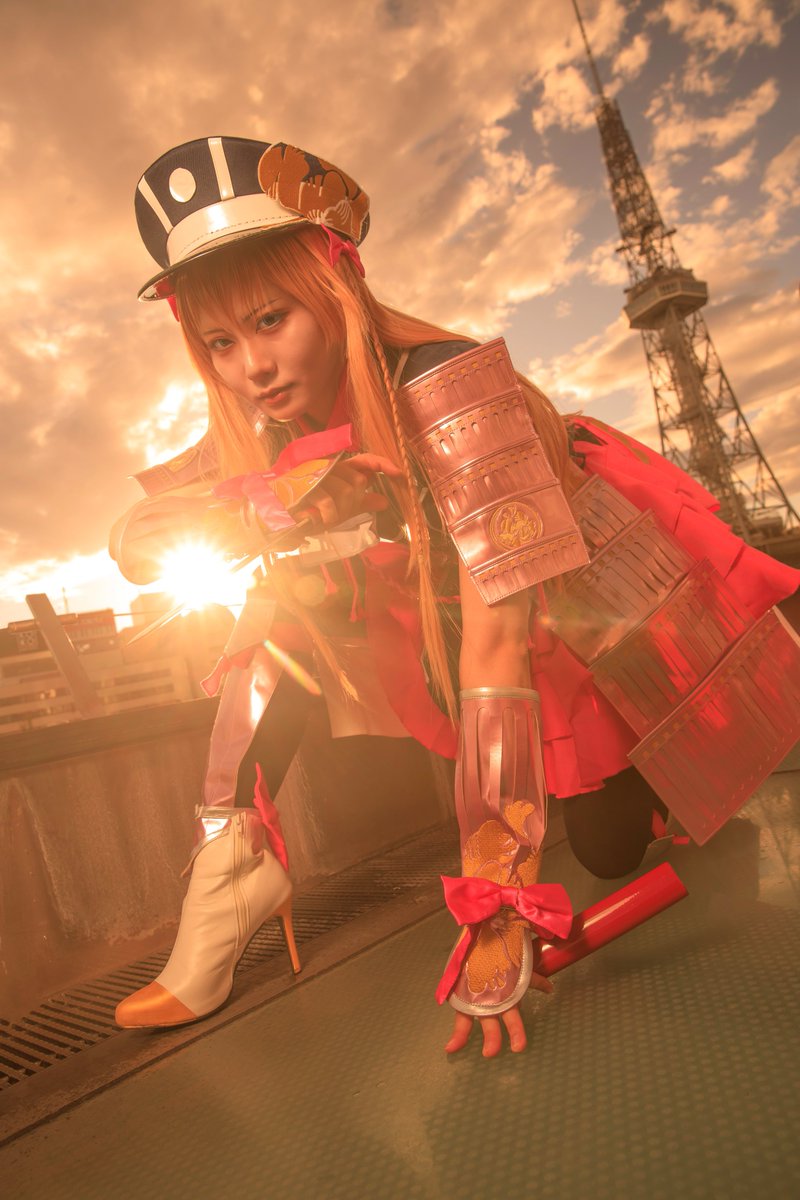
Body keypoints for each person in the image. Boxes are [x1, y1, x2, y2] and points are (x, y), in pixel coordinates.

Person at [111, 137, 800, 1057]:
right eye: (221, 343)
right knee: (280, 603)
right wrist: (201, 520)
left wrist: (499, 904)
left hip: (577, 601)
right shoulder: (270, 418)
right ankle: (227, 878)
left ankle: (654, 782)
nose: (252, 369)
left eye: (272, 319)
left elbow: (495, 646)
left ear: (334, 288)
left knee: (608, 848)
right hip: (445, 609)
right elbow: (149, 532)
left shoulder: (447, 381)